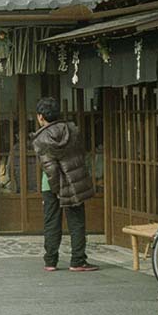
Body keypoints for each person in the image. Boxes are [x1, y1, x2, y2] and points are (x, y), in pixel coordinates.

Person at [31, 96, 98, 273]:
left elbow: (49, 167)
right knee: (77, 221)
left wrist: (55, 187)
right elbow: (80, 154)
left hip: (50, 184)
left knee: (52, 221)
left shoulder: (41, 138)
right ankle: (78, 261)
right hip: (74, 181)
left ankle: (50, 261)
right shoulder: (72, 130)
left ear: (40, 117)